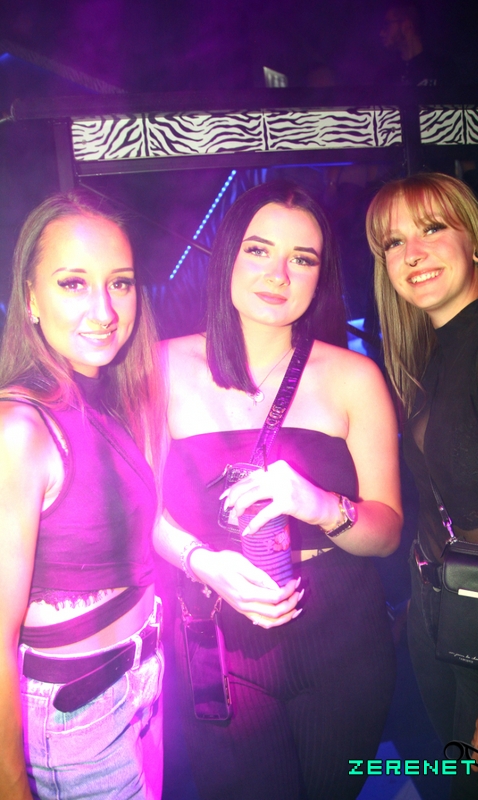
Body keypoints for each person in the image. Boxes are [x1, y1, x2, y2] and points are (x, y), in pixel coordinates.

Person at [155, 179, 403, 800]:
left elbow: (387, 533)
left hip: (343, 637)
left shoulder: (355, 376)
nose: (278, 274)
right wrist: (201, 561)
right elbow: (140, 511)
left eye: (303, 258)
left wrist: (319, 505)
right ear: (228, 257)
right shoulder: (160, 368)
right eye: (259, 250)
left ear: (321, 276)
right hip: (216, 634)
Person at [366, 172, 478, 798]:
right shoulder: (432, 354)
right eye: (393, 242)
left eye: (432, 228)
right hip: (444, 611)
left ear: (475, 243)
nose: (412, 253)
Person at [0, 193, 165, 800]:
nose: (105, 311)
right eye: (73, 283)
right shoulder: (18, 428)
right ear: (30, 298)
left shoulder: (107, 395)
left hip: (143, 675)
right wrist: (9, 784)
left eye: (120, 283)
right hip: (76, 712)